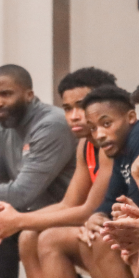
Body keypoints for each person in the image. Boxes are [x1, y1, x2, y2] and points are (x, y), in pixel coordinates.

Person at [0, 67, 117, 278]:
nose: (74, 116)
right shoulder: (84, 146)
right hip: (90, 219)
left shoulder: (109, 145)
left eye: (82, 106)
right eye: (68, 108)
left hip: (109, 223)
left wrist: (18, 221)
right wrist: (11, 221)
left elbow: (88, 209)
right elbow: (69, 204)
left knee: (48, 238)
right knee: (23, 235)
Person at [79, 85, 139, 278]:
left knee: (109, 238)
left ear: (131, 117)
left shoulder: (135, 138)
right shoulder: (122, 150)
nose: (99, 135)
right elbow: (112, 200)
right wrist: (98, 216)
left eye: (106, 124)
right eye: (93, 128)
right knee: (99, 235)